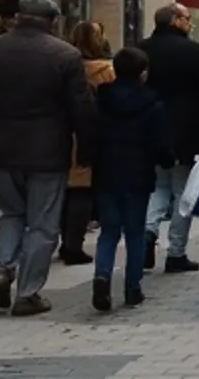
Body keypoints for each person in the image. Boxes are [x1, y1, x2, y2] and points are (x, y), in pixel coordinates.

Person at [0, 0, 97, 316]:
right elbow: (81, 107)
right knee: (42, 223)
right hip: (48, 152)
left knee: (11, 214)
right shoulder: (65, 56)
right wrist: (86, 148)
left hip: (2, 150)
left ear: (17, 17)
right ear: (52, 21)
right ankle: (27, 292)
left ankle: (4, 266)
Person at [138, 3, 199, 273]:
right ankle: (176, 252)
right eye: (187, 19)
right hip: (185, 131)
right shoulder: (192, 52)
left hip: (151, 130)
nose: (190, 24)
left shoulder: (142, 48)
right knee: (182, 192)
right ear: (175, 21)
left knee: (157, 187)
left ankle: (147, 234)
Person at [91, 47, 176, 312]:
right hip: (138, 175)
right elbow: (161, 143)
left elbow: (92, 134)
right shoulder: (152, 104)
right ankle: (132, 288)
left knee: (109, 231)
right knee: (135, 233)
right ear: (142, 74)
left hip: (106, 173)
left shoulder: (101, 100)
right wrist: (167, 160)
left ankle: (102, 276)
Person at [57, 21, 116, 266]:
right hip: (89, 135)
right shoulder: (105, 70)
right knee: (82, 190)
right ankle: (73, 244)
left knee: (64, 190)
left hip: (61, 133)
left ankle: (64, 240)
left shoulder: (63, 65)